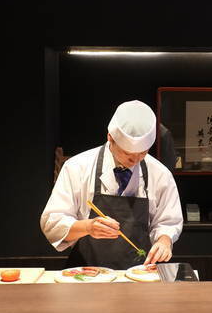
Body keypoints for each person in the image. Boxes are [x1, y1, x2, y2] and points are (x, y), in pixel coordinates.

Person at [40, 100, 184, 270]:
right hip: (87, 274)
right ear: (110, 137)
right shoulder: (77, 167)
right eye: (127, 153)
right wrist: (87, 227)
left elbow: (168, 222)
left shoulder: (160, 174)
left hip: (139, 274)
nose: (135, 160)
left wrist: (164, 241)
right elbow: (52, 222)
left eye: (142, 153)